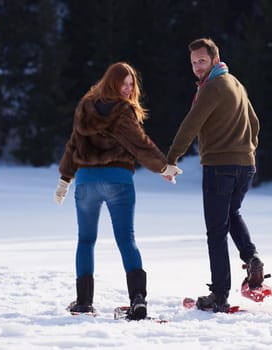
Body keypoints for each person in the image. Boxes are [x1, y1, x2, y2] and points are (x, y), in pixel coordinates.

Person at [54, 62, 182, 320]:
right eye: (123, 83)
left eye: (131, 84)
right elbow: (140, 144)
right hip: (118, 181)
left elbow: (73, 145)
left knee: (85, 240)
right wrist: (163, 167)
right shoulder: (123, 111)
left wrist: (66, 178)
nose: (127, 89)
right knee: (126, 240)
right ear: (111, 82)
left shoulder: (85, 106)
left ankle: (83, 302)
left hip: (86, 182)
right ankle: (137, 299)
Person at [166, 38, 263, 312]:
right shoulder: (235, 84)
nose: (197, 67)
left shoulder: (213, 88)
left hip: (220, 167)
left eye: (202, 61)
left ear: (213, 59)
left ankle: (219, 296)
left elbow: (190, 124)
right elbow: (255, 123)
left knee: (216, 232)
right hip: (245, 166)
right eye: (194, 62)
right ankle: (252, 257)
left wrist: (172, 158)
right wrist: (248, 151)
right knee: (232, 214)